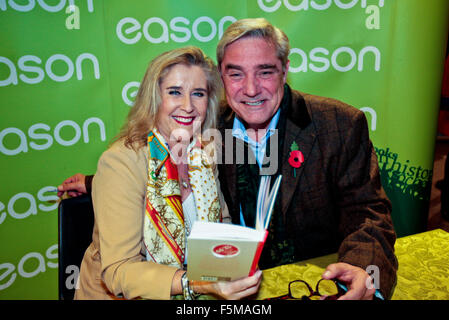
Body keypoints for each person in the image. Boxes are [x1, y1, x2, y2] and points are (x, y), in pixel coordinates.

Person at [59, 18, 398, 300]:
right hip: (203, 288)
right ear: (222, 76)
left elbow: (367, 210)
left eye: (265, 71)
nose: (250, 89)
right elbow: (143, 169)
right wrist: (97, 182)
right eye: (236, 74)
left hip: (305, 282)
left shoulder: (337, 125)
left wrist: (362, 267)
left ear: (285, 70)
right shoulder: (208, 128)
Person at [69, 46, 262, 300]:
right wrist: (196, 284)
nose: (188, 106)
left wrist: (233, 264)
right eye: (174, 92)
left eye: (198, 94)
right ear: (154, 98)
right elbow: (118, 271)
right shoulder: (121, 162)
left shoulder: (204, 153)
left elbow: (220, 226)